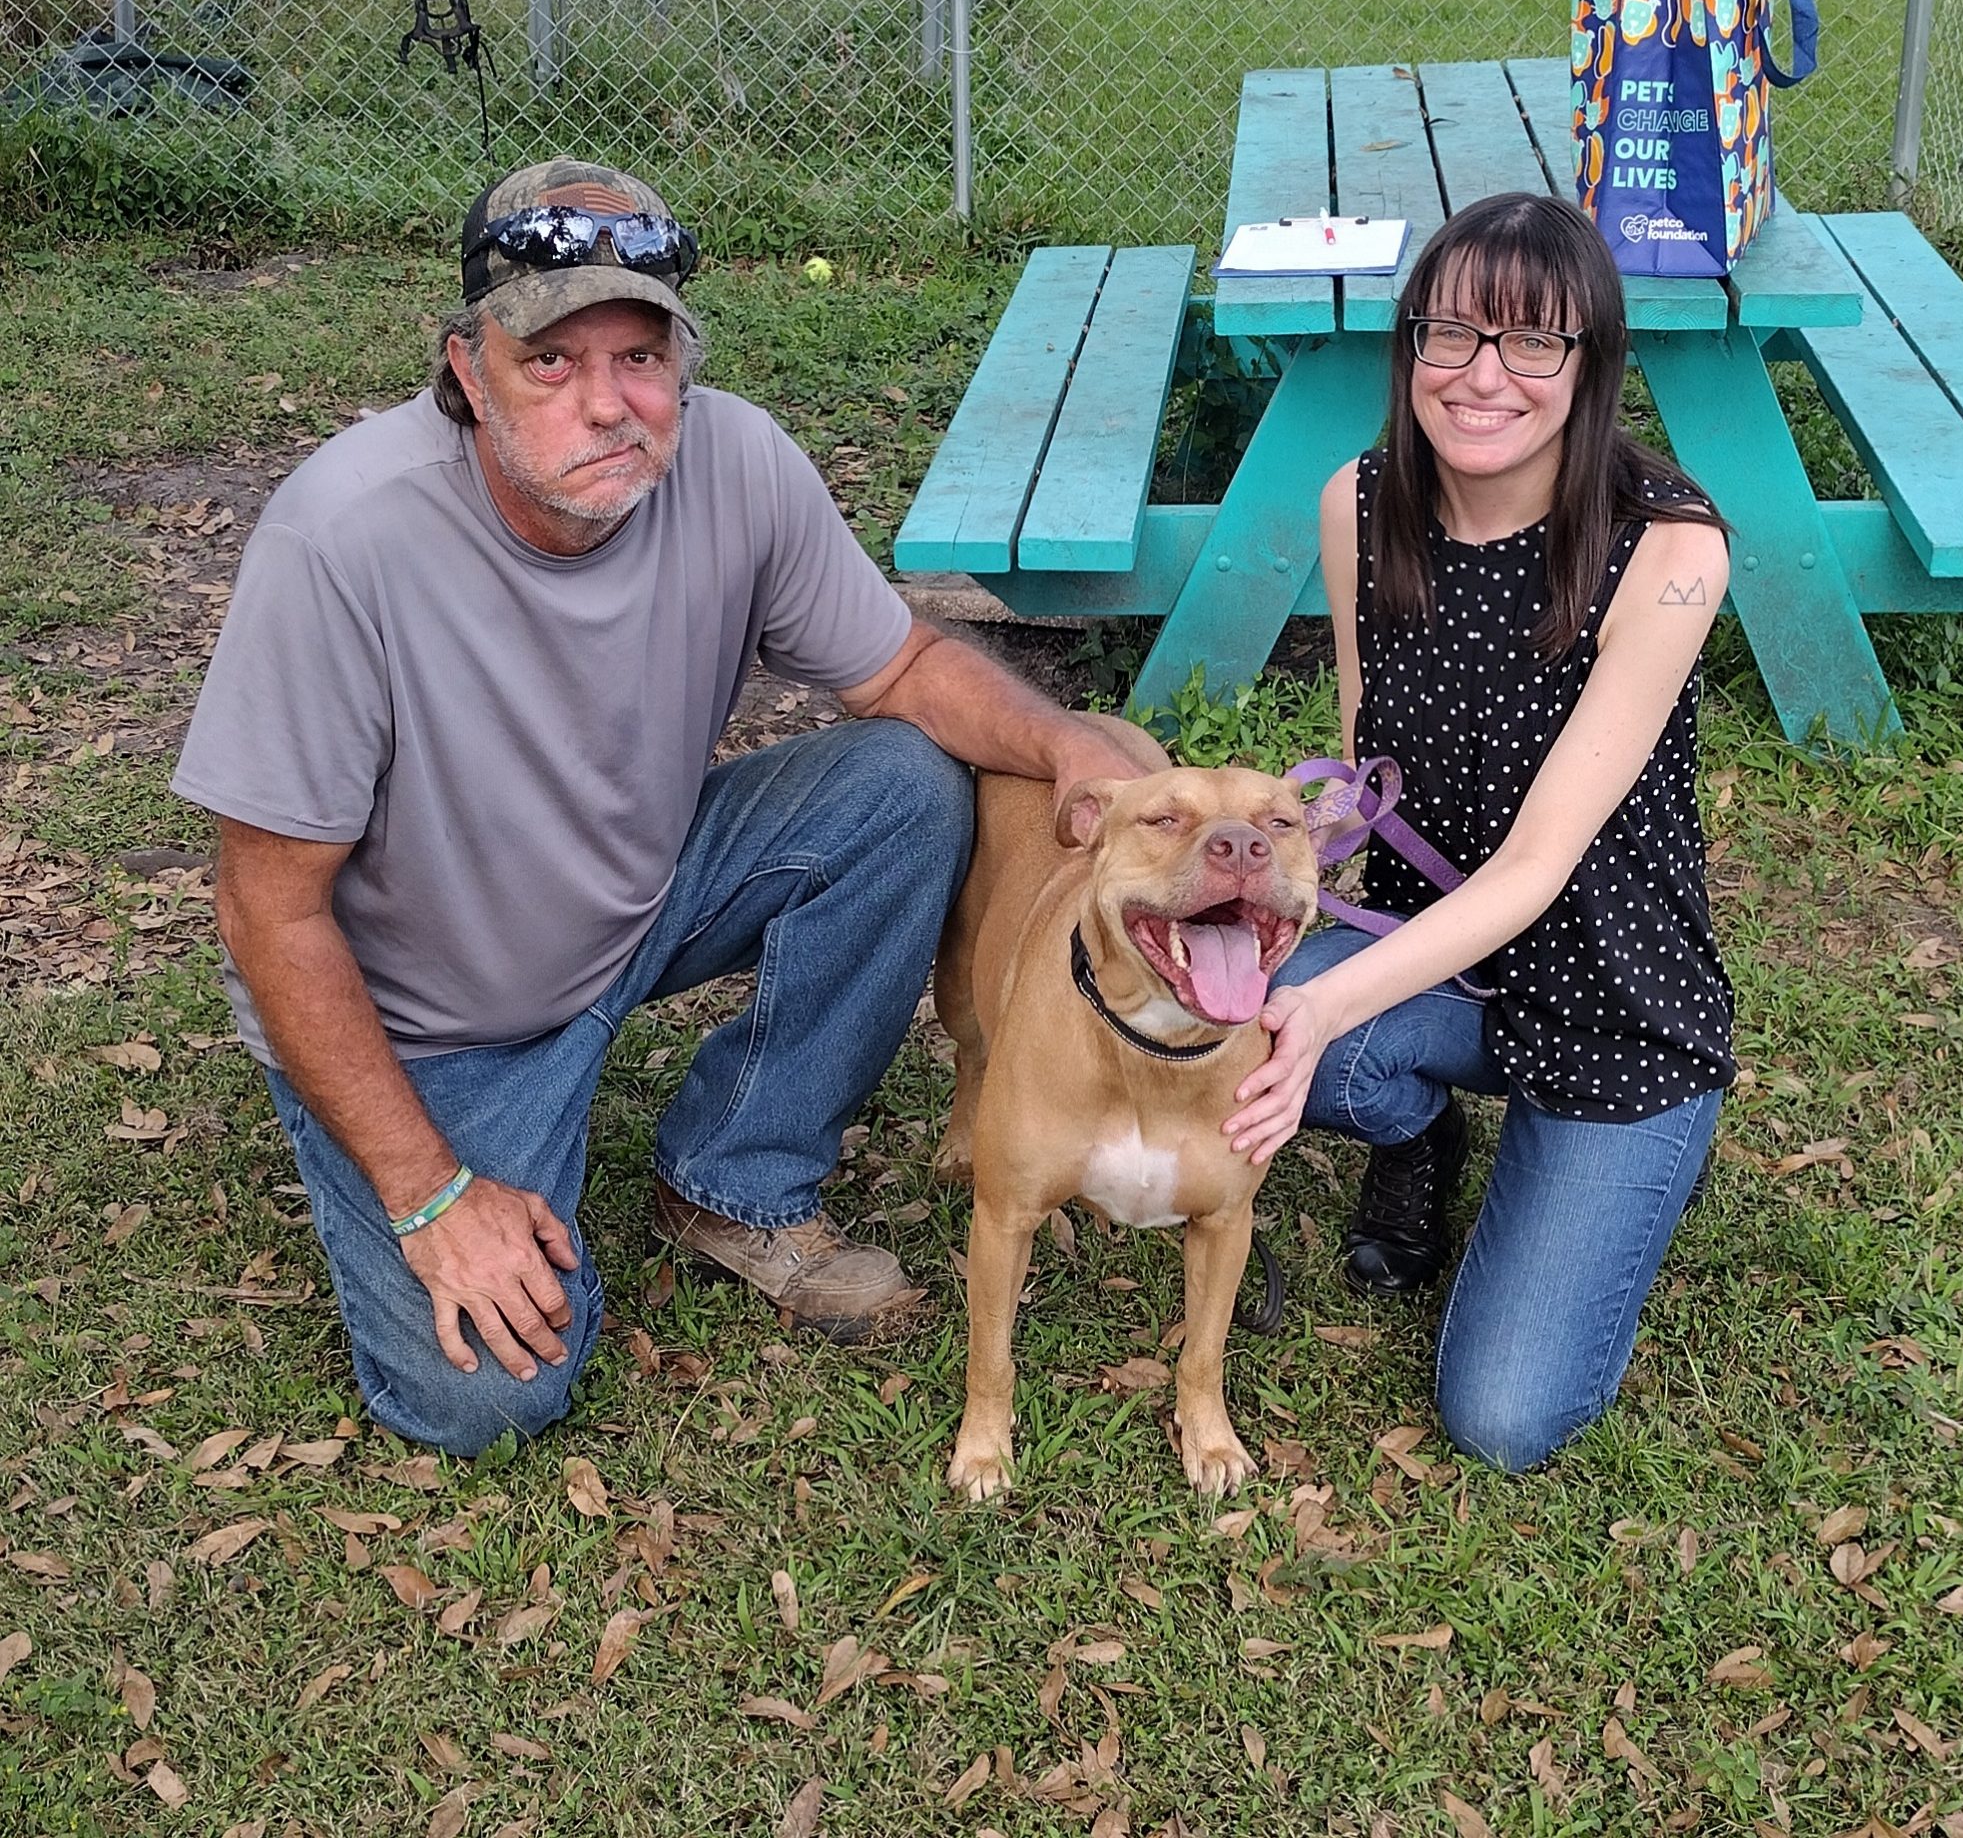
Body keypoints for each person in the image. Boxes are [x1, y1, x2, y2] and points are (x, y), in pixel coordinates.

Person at [173, 157, 1148, 1458]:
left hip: (631, 896)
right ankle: (434, 1163)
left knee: (902, 785)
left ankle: (735, 1179)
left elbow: (902, 669)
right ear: (467, 371)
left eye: (640, 357)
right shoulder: (343, 541)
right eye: (552, 364)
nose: (608, 405)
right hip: (433, 1019)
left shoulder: (737, 464)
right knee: (489, 1400)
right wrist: (428, 1196)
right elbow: (265, 913)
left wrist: (1063, 741)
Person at [1224, 192, 1735, 1473]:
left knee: (1499, 1417)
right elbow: (1361, 773)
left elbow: (1534, 867)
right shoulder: (1360, 499)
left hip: (1610, 1003)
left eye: (1531, 343)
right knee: (1235, 1017)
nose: (1481, 376)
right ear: (1408, 347)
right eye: (1448, 334)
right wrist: (1253, 887)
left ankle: (1626, 1162)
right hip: (1432, 953)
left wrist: (1322, 1007)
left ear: (1591, 362)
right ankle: (1423, 1136)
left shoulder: (1668, 549)